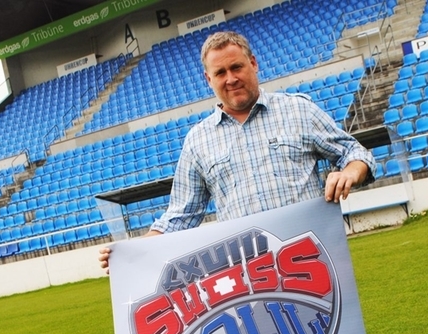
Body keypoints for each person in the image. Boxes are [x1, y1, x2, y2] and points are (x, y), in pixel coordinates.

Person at [99, 31, 375, 271]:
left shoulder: (298, 110)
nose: (230, 79)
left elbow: (354, 151)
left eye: (236, 67)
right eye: (220, 73)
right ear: (208, 79)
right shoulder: (198, 141)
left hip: (314, 258)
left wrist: (350, 171)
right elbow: (180, 216)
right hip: (250, 276)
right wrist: (133, 252)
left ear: (253, 64)